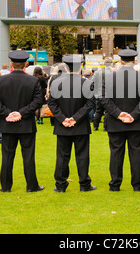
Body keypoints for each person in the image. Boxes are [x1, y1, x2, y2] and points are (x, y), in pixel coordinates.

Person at [0, 50, 44, 193]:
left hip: (8, 124)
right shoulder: (33, 81)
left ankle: (6, 186)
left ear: (11, 64)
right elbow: (38, 101)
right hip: (25, 124)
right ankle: (31, 186)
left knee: (7, 156)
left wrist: (10, 113)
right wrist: (20, 113)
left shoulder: (0, 80)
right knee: (28, 156)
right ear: (26, 64)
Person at [101, 49, 140, 192]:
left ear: (121, 61)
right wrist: (132, 115)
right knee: (136, 153)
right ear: (134, 61)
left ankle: (115, 184)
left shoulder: (110, 77)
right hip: (135, 122)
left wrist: (119, 114)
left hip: (117, 122)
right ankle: (137, 184)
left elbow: (104, 99)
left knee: (116, 153)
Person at [48, 55, 96, 192]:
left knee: (62, 156)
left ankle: (61, 185)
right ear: (80, 67)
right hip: (80, 125)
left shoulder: (57, 83)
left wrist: (63, 118)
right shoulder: (85, 83)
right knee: (82, 155)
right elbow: (90, 103)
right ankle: (84, 184)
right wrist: (75, 118)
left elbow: (52, 103)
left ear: (66, 67)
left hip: (64, 125)